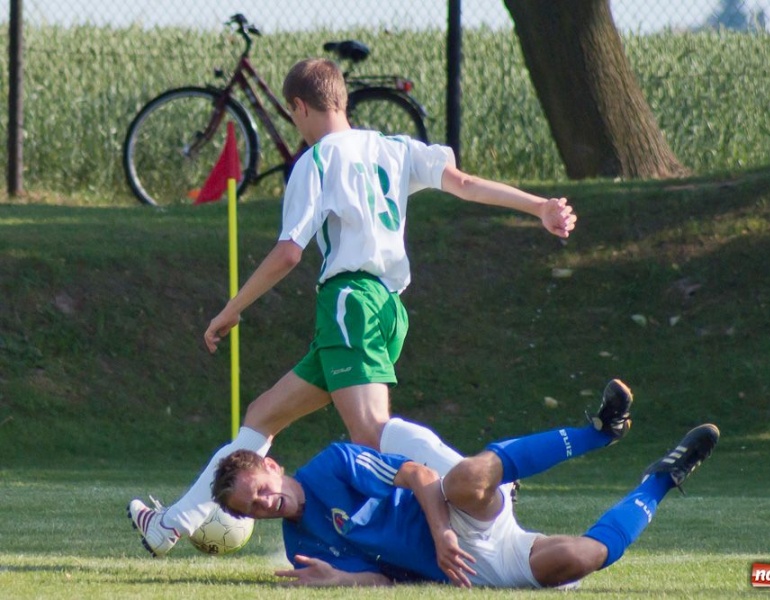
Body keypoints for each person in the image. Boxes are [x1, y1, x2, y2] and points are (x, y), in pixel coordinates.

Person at [128, 57, 577, 557]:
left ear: (299, 107)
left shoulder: (316, 162)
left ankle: (479, 477)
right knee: (261, 417)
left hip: (349, 302)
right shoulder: (394, 147)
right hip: (386, 308)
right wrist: (538, 206)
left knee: (370, 431)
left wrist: (231, 309)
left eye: (291, 114)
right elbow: (465, 184)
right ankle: (169, 525)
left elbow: (288, 252)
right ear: (340, 97)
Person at [211, 380, 721, 589]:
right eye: (250, 511)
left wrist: (442, 534)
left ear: (270, 465)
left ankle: (599, 432)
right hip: (470, 568)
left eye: (256, 489)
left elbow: (419, 474)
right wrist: (341, 582)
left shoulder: (330, 465)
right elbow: (385, 582)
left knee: (461, 480)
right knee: (579, 560)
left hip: (454, 516)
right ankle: (661, 479)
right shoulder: (302, 548)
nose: (262, 505)